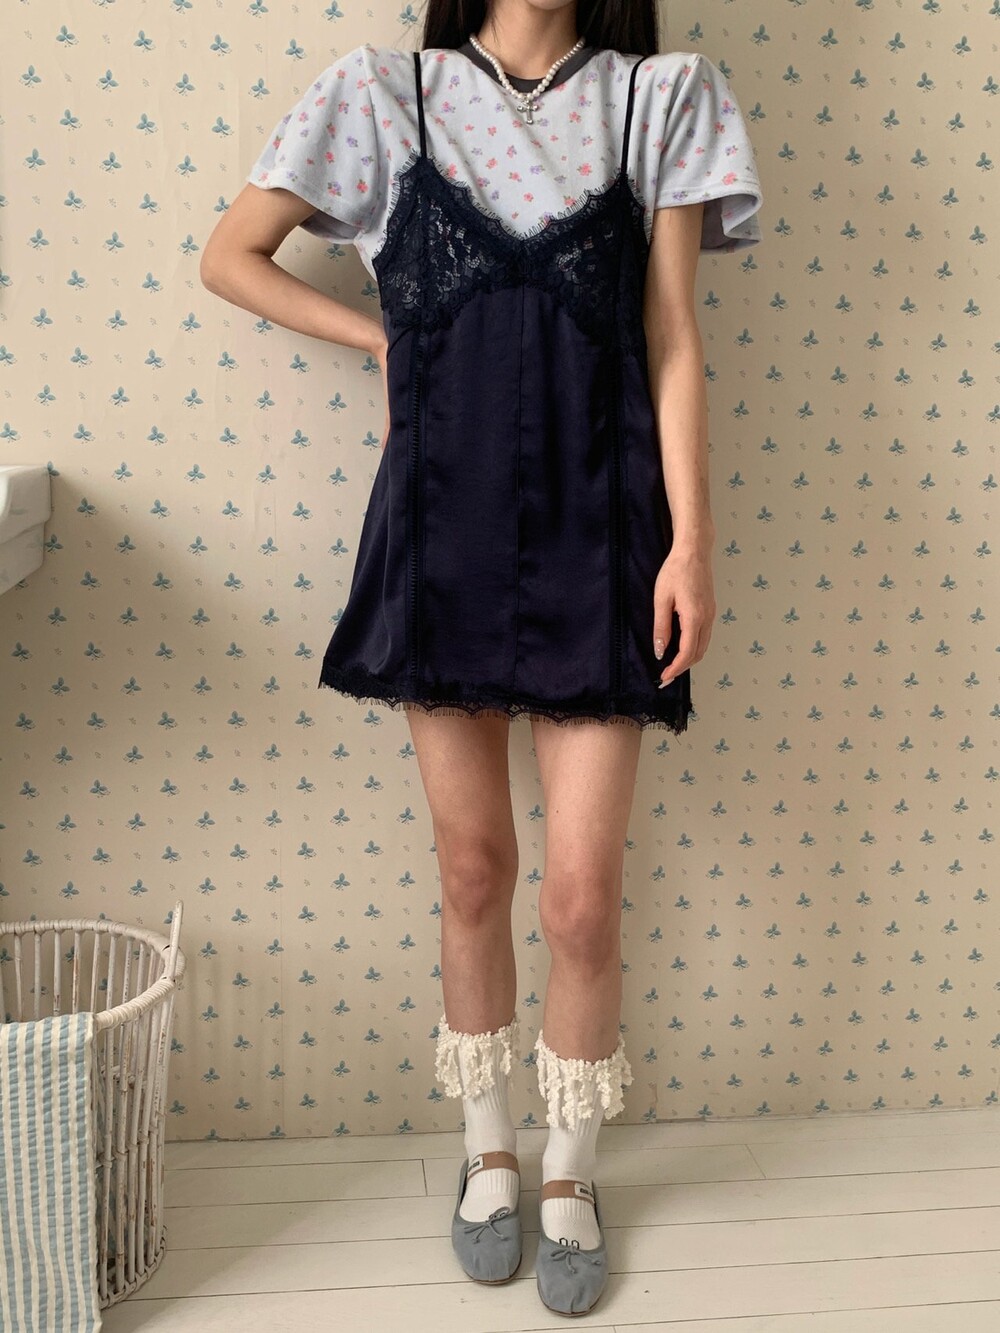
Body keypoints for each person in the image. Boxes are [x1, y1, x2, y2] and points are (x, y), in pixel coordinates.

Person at [202, 0, 762, 1316]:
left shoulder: (660, 97)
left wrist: (693, 544)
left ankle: (573, 1169)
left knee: (581, 898)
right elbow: (232, 256)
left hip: (605, 532)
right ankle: (489, 1151)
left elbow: (675, 336)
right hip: (440, 529)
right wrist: (382, 339)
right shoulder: (382, 92)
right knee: (472, 870)